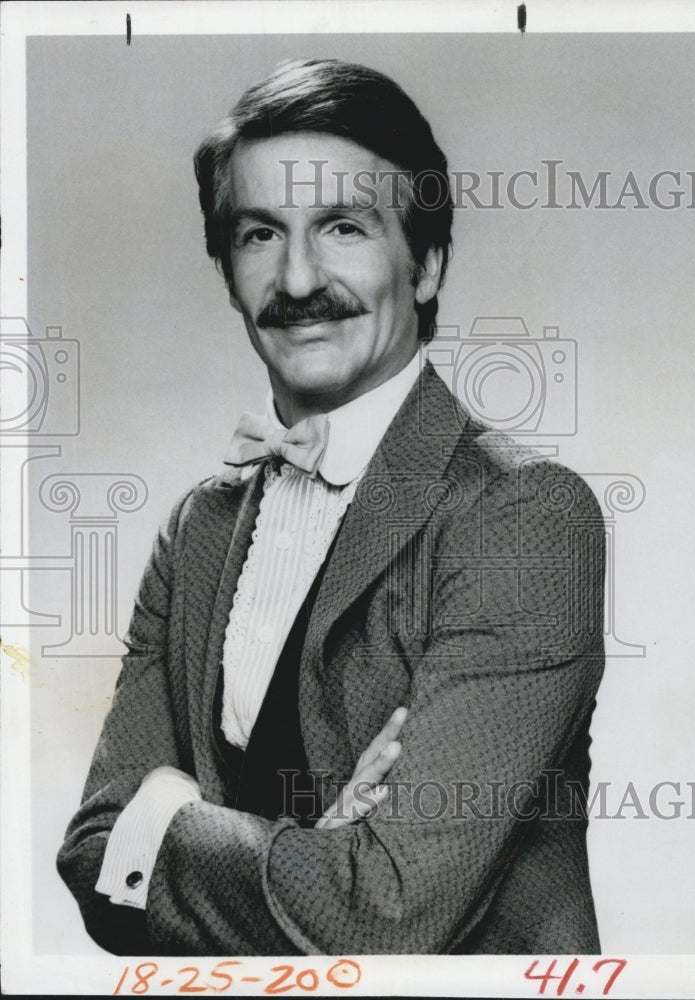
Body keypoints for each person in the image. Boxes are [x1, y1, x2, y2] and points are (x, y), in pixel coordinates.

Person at [57, 58, 606, 956]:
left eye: (344, 227)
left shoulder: (523, 516)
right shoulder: (199, 527)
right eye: (260, 234)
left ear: (425, 264)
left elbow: (386, 913)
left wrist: (162, 817)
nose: (300, 278)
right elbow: (90, 861)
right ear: (228, 270)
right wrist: (318, 854)